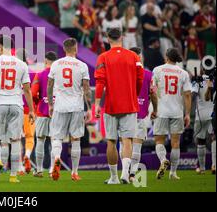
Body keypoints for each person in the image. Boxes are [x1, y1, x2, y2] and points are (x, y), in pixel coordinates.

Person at [0, 35, 35, 183]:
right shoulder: (22, 64)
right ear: (11, 48)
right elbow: (27, 90)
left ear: (0, 46)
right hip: (16, 104)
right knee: (16, 140)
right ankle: (13, 176)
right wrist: (31, 110)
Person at [94, 28, 144, 184]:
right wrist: (133, 94)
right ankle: (125, 174)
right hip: (129, 104)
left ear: (108, 39)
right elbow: (140, 79)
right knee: (127, 139)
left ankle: (114, 177)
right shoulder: (134, 56)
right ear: (121, 37)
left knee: (111, 141)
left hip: (111, 105)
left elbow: (100, 82)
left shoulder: (103, 57)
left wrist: (96, 104)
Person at [47, 39, 92, 181]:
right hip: (77, 106)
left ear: (64, 49)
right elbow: (86, 88)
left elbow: (49, 85)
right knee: (76, 139)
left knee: (57, 137)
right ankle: (74, 172)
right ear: (75, 48)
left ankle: (57, 158)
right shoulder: (82, 65)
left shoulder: (56, 64)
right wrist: (89, 107)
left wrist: (50, 104)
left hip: (60, 105)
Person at [151, 48, 192, 180]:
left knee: (159, 140)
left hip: (162, 110)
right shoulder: (183, 73)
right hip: (177, 112)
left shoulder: (157, 70)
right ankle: (173, 173)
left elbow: (153, 91)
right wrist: (187, 114)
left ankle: (163, 160)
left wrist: (154, 109)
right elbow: (187, 95)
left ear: (166, 57)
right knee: (176, 143)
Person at [127, 47, 157, 182]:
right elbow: (153, 94)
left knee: (125, 144)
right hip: (141, 112)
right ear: (140, 57)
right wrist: (155, 109)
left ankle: (123, 173)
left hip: (125, 113)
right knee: (137, 145)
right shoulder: (148, 74)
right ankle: (132, 174)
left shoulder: (124, 73)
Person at [31, 52, 57, 177]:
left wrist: (37, 104)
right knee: (55, 140)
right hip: (57, 111)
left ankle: (39, 169)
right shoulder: (59, 75)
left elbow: (33, 93)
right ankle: (52, 169)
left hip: (42, 110)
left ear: (46, 61)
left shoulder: (40, 74)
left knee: (40, 140)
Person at [192, 71, 216, 175]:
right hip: (213, 112)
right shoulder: (214, 79)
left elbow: (192, 96)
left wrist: (194, 82)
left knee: (201, 141)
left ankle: (202, 168)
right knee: (214, 138)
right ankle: (214, 165)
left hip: (200, 115)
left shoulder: (199, 80)